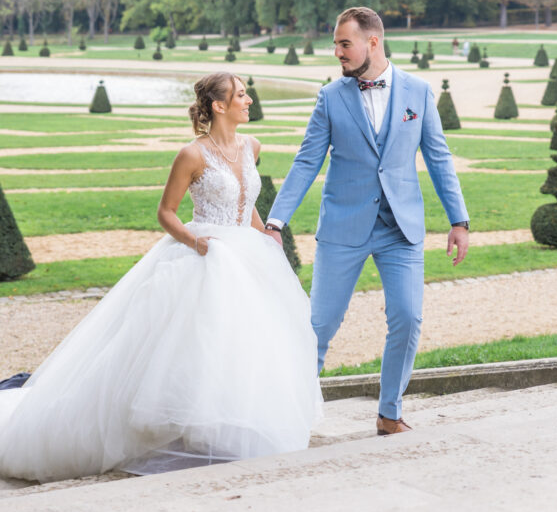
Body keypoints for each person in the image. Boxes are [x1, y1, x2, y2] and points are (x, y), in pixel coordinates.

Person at [0, 72, 321, 484]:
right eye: (241, 95)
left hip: (246, 255)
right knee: (189, 346)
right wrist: (194, 241)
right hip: (204, 256)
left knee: (245, 344)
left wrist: (265, 236)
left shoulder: (252, 147)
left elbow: (246, 203)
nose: (249, 100)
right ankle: (170, 429)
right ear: (219, 106)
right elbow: (165, 212)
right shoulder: (192, 155)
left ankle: (225, 429)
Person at [264, 7, 469, 436]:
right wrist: (276, 220)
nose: (337, 53)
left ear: (372, 42)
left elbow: (438, 157)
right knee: (318, 328)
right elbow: (306, 162)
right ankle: (286, 418)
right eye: (336, 44)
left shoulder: (418, 91)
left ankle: (389, 413)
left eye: (344, 44)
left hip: (401, 229)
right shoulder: (330, 97)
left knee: (409, 320)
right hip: (344, 226)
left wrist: (458, 220)